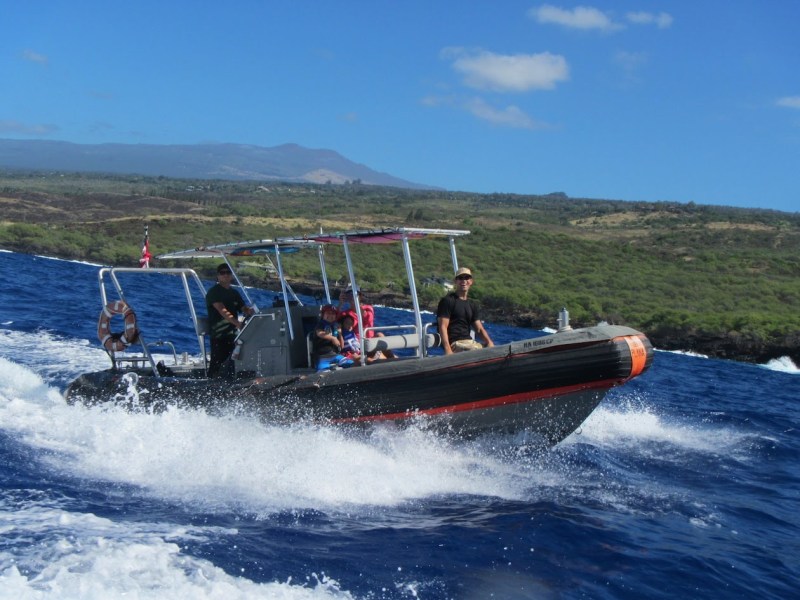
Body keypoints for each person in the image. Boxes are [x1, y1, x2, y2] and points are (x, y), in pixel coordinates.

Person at [206, 263, 254, 377]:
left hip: (233, 335)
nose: (226, 275)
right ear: (218, 276)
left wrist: (249, 311)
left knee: (232, 364)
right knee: (217, 365)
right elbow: (222, 310)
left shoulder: (234, 293)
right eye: (222, 273)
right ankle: (211, 382)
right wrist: (238, 324)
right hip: (219, 335)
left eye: (228, 272)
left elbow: (243, 308)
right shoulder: (214, 292)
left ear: (231, 275)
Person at [436, 267, 494, 354]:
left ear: (471, 281)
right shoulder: (447, 301)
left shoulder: (472, 304)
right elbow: (443, 327)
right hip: (455, 343)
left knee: (491, 350)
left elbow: (479, 329)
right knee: (476, 351)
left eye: (467, 278)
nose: (464, 281)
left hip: (469, 342)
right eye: (460, 278)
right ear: (455, 281)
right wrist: (448, 350)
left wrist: (490, 343)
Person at [313, 304, 354, 371]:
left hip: (335, 355)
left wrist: (340, 334)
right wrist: (333, 338)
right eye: (328, 313)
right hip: (322, 357)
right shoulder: (320, 324)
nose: (330, 315)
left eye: (333, 314)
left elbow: (342, 346)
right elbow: (319, 333)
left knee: (351, 363)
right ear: (323, 315)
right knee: (323, 372)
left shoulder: (335, 326)